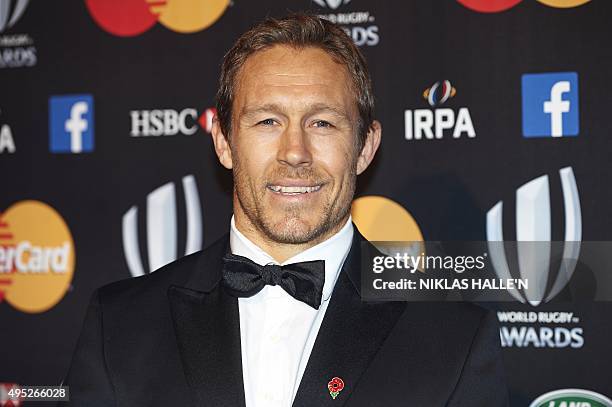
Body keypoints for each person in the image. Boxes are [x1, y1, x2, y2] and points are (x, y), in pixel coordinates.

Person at [64, 14, 508, 406]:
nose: (295, 152)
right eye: (267, 121)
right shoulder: (120, 323)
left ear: (365, 147)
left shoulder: (454, 340)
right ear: (223, 141)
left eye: (322, 122)